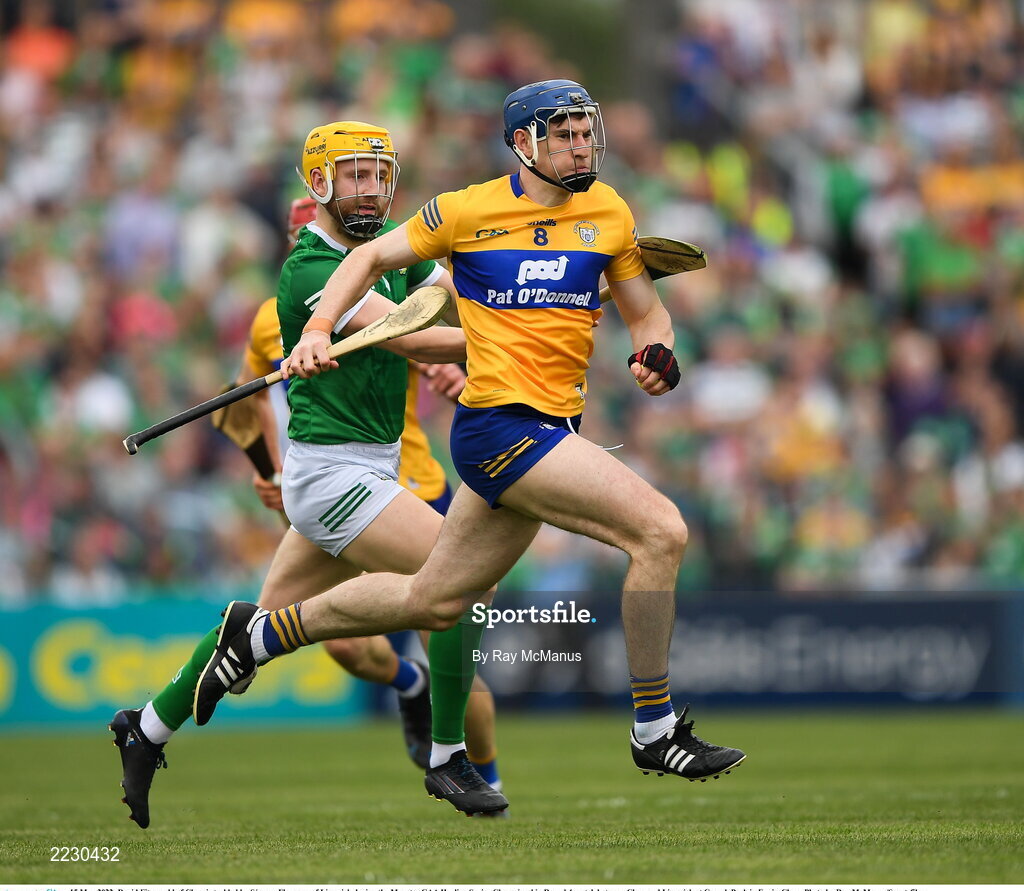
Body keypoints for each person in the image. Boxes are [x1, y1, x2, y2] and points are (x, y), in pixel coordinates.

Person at [194, 80, 746, 797]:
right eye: (564, 133)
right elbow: (364, 261)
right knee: (660, 531)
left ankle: (258, 635)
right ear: (523, 143)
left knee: (436, 598)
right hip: (499, 428)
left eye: (585, 131)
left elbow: (646, 311)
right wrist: (320, 326)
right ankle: (655, 729)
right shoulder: (465, 210)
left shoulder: (608, 212)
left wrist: (655, 353)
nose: (582, 145)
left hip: (554, 422)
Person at [110, 122, 508, 828]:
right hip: (333, 476)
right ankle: (448, 756)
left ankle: (145, 727)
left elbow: (446, 295)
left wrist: (517, 297)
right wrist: (521, 328)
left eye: (379, 175)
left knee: (255, 626)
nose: (371, 189)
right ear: (318, 184)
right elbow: (412, 332)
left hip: (364, 469)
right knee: (461, 578)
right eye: (355, 175)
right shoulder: (313, 274)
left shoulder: (389, 251)